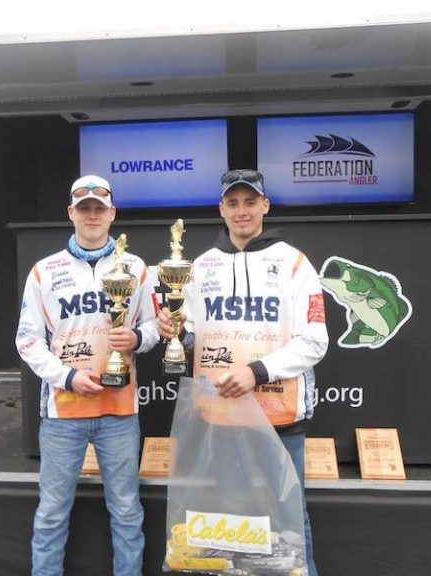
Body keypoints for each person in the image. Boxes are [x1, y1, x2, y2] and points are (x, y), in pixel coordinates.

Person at [157, 168, 329, 576]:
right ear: (221, 209)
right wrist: (174, 333)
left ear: (265, 205)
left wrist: (258, 372)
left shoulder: (294, 263)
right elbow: (192, 335)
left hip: (279, 419)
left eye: (250, 201)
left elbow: (314, 341)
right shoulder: (201, 266)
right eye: (233, 203)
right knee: (233, 527)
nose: (242, 211)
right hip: (221, 419)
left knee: (289, 526)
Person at [16, 174, 159, 576]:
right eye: (84, 209)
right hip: (64, 413)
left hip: (119, 411)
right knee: (51, 513)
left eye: (99, 208)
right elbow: (27, 340)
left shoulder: (135, 268)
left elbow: (153, 327)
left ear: (112, 214)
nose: (92, 215)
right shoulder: (45, 271)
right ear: (71, 213)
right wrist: (65, 377)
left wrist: (136, 338)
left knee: (127, 510)